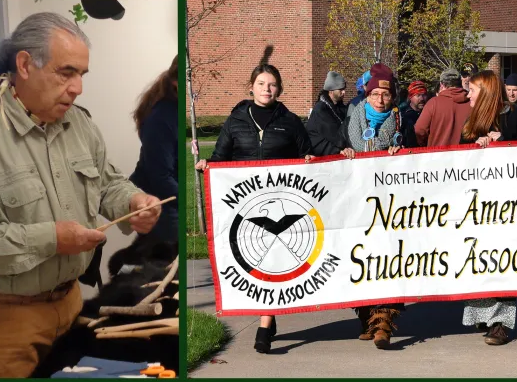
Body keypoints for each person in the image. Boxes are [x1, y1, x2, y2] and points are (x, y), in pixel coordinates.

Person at [0, 13, 162, 378]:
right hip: (4, 321)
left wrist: (132, 203)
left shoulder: (78, 122)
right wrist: (51, 239)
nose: (77, 88)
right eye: (66, 73)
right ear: (24, 65)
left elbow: (108, 183)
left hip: (70, 302)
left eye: (81, 74)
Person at [195, 64, 315, 353]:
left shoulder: (290, 121)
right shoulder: (236, 120)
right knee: (254, 263)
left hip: (280, 203)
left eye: (272, 84)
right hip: (245, 205)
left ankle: (265, 322)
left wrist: (309, 160)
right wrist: (208, 165)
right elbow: (221, 156)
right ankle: (268, 317)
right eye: (261, 83)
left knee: (272, 261)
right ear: (251, 86)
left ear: (279, 89)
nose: (266, 89)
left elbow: (306, 154)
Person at [458, 70, 517, 344]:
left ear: (484, 92)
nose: (468, 95)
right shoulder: (471, 120)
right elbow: (460, 155)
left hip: (506, 204)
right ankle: (483, 314)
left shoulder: (514, 116)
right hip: (477, 204)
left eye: (472, 90)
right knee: (479, 259)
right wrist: (475, 146)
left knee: (504, 260)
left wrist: (502, 143)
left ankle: (500, 323)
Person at [346, 63, 405, 349]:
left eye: (386, 94)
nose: (380, 100)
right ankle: (367, 317)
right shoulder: (353, 117)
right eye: (375, 94)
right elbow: (346, 144)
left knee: (389, 257)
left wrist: (397, 149)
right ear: (367, 95)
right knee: (363, 257)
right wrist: (345, 151)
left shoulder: (399, 119)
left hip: (390, 200)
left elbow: (406, 147)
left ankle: (384, 323)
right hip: (359, 199)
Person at [130, 55, 179, 242]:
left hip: (170, 197)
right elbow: (161, 177)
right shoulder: (161, 118)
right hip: (159, 204)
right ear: (175, 82)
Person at [413, 68, 471, 147]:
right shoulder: (471, 103)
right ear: (460, 82)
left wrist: (425, 145)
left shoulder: (433, 103)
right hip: (466, 153)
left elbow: (419, 130)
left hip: (437, 152)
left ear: (441, 85)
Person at [306, 71, 352, 156]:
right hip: (322, 155)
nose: (344, 92)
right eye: (340, 89)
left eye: (344, 89)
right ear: (331, 91)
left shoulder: (339, 107)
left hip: (333, 151)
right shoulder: (321, 109)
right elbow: (334, 135)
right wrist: (344, 148)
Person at [401, 80, 428, 148]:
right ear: (410, 97)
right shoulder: (403, 116)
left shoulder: (429, 113)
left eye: (424, 95)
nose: (422, 98)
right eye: (418, 95)